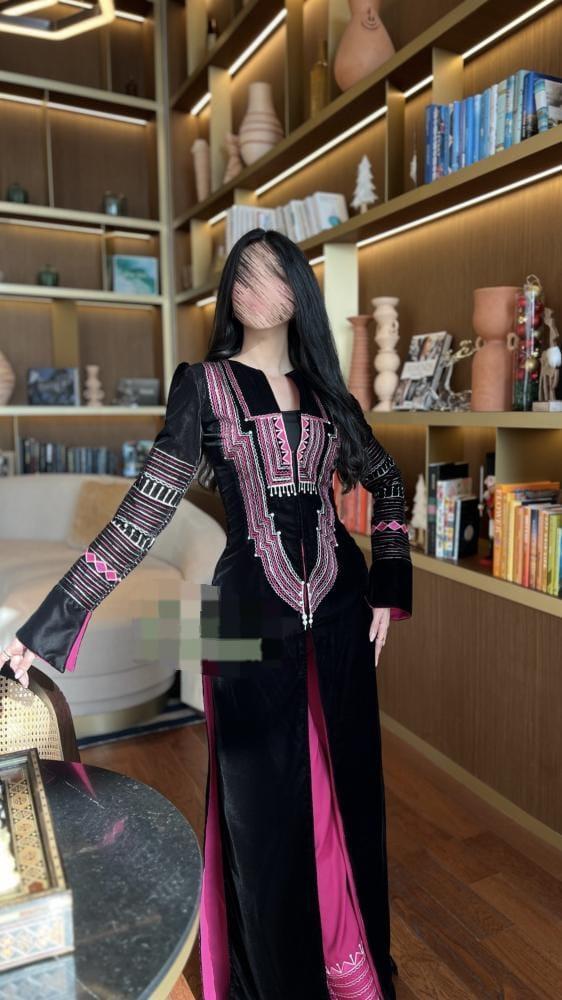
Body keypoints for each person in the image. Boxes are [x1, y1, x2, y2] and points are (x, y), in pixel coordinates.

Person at [2, 228, 413, 1000]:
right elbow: (142, 515)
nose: (252, 290)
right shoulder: (203, 385)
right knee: (259, 812)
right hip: (240, 614)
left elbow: (388, 483)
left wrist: (389, 582)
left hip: (340, 615)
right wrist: (47, 625)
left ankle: (349, 965)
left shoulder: (330, 393)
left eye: (270, 274)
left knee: (346, 794)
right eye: (240, 277)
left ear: (297, 290)